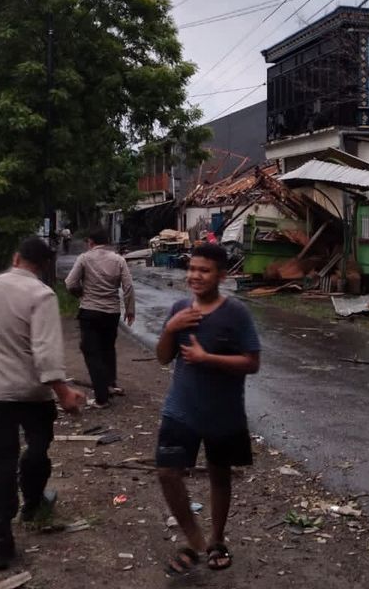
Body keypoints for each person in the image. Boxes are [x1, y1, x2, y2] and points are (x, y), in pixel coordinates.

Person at [0, 236, 85, 571]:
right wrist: (63, 391)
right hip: (32, 391)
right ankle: (32, 502)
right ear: (43, 265)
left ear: (16, 257)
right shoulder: (42, 295)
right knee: (38, 447)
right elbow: (45, 351)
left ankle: (0, 541)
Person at [155, 243, 261, 576]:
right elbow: (162, 357)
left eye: (204, 270)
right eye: (192, 269)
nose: (195, 276)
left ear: (221, 275)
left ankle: (217, 540)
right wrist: (172, 327)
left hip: (223, 412)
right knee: (167, 472)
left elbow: (252, 363)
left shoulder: (236, 314)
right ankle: (196, 542)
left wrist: (207, 358)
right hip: (181, 408)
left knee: (219, 475)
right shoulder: (179, 307)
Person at [64, 226, 135, 408]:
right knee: (108, 348)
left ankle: (102, 397)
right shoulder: (119, 260)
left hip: (90, 311)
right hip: (112, 312)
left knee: (91, 351)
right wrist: (130, 310)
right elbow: (128, 287)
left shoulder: (85, 258)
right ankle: (110, 384)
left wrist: (80, 294)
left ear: (91, 242)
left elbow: (70, 282)